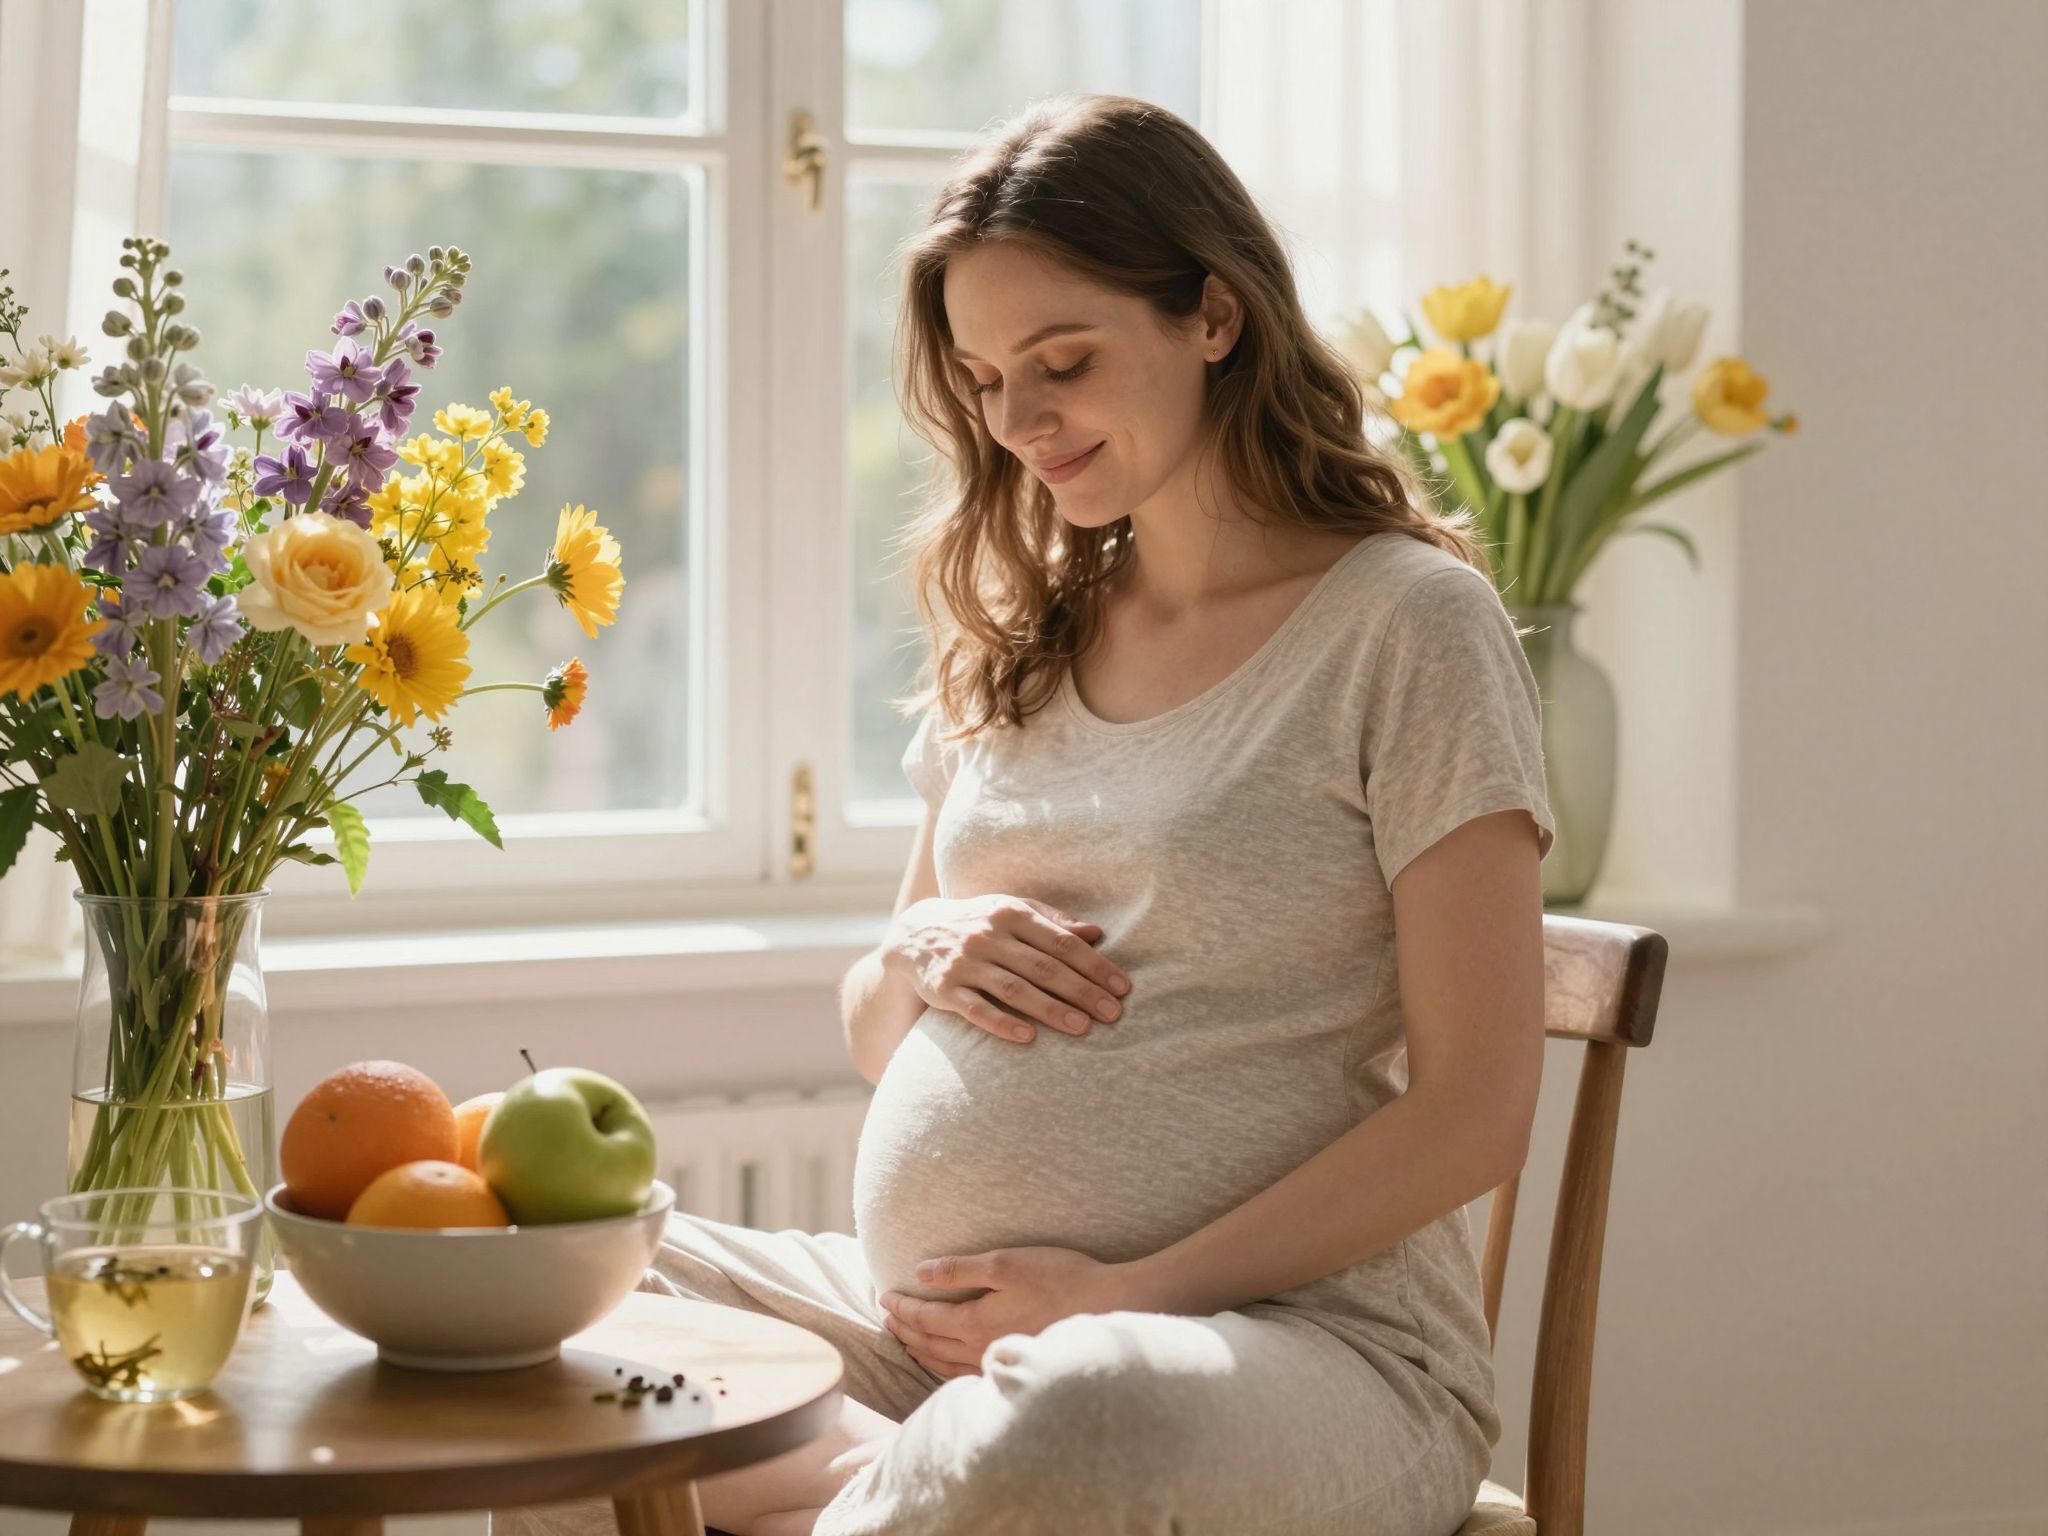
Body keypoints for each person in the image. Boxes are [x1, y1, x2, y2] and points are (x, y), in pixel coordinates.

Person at [499, 92, 1554, 1536]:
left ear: (1217, 320)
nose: (1020, 422)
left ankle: (896, 1475)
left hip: (1283, 1352)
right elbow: (878, 1026)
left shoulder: (1409, 627)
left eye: (1064, 361)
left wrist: (1117, 1299)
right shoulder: (1027, 631)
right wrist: (924, 951)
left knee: (1079, 1414)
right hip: (922, 1332)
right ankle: (916, 1480)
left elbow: (1476, 1115)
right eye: (989, 378)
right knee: (525, 1275)